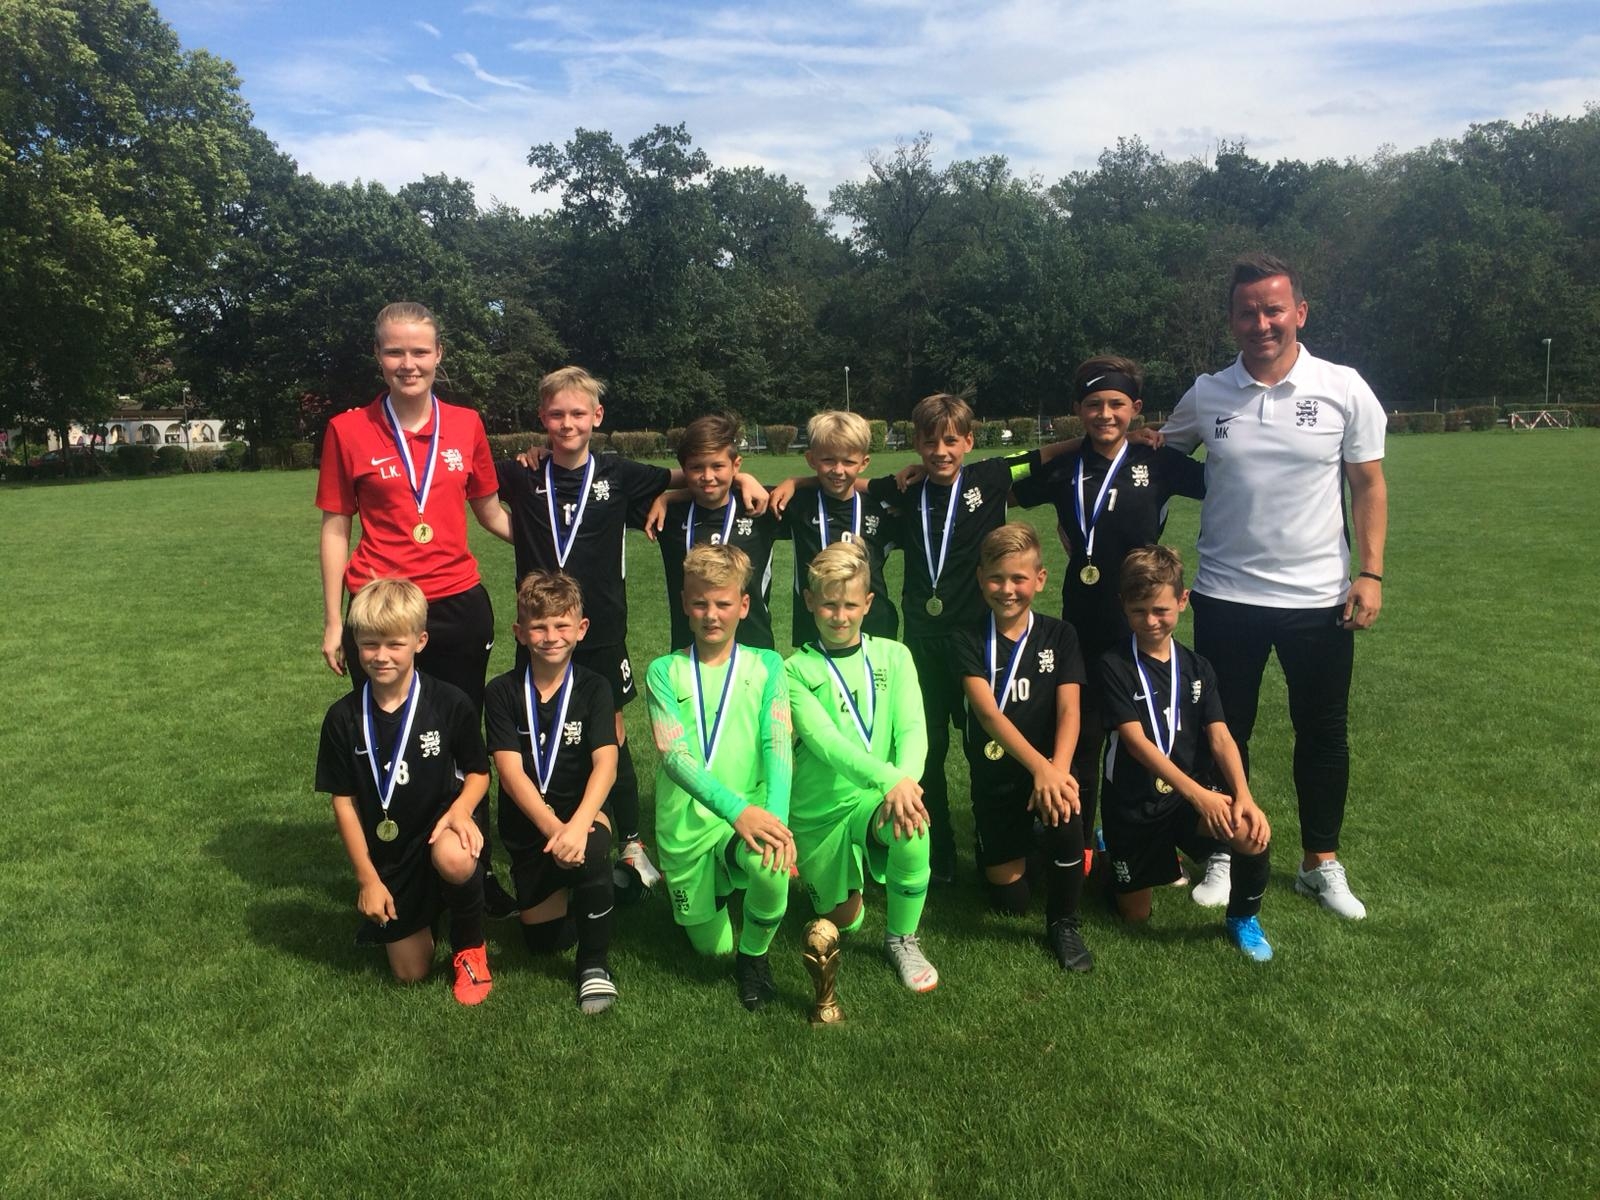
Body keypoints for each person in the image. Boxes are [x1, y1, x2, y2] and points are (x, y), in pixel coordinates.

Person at [1157, 253, 1386, 919]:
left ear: (1300, 313)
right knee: (1225, 731)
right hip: (1227, 597)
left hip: (1320, 600)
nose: (1262, 323)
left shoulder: (1343, 387)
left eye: (1274, 309)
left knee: (1323, 732)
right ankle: (1224, 852)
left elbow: (1368, 485)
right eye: (1247, 312)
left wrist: (1370, 573)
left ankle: (1320, 862)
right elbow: (1158, 461)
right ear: (1231, 320)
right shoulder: (1208, 393)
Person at [494, 367, 758, 899]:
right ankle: (542, 828)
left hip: (602, 631)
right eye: (556, 414)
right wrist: (518, 533)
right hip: (543, 630)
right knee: (532, 728)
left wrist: (745, 479)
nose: (567, 423)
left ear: (597, 416)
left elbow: (689, 475)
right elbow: (474, 490)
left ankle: (631, 841)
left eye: (578, 413)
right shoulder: (522, 474)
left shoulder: (618, 472)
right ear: (542, 418)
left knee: (611, 732)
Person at [316, 301, 519, 917]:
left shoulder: (466, 424)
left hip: (457, 604)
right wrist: (335, 619)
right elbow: (335, 527)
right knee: (387, 742)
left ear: (439, 355)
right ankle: (395, 874)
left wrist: (560, 545)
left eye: (420, 351)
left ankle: (474, 871)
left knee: (461, 742)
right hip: (380, 611)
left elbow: (490, 511)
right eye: (395, 351)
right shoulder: (347, 430)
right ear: (378, 356)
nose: (409, 363)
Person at [1010, 355, 1206, 885]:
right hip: (1083, 622)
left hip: (1144, 625)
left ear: (1135, 407)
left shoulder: (1157, 461)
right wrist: (1063, 447)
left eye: (1117, 404)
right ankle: (1080, 844)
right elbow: (999, 478)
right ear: (1078, 409)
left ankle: (1151, 841)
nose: (1105, 414)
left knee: (1151, 737)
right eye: (1093, 404)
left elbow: (1226, 479)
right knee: (1085, 736)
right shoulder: (1064, 466)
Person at [314, 578, 495, 1003]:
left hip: (441, 832)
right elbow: (344, 803)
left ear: (420, 641)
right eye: (370, 644)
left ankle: (470, 946)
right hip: (391, 856)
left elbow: (478, 772)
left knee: (454, 856)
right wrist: (367, 879)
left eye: (395, 644)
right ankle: (428, 910)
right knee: (411, 973)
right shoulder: (342, 718)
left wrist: (460, 811)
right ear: (355, 644)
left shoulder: (449, 702)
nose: (381, 656)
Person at [1097, 547, 1274, 960]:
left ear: (1182, 600)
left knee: (1250, 832)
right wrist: (1200, 795)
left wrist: (1243, 796)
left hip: (1185, 801)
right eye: (1139, 611)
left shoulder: (1198, 668)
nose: (1151, 621)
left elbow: (1221, 738)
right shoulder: (1113, 665)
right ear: (1123, 606)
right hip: (1134, 804)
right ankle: (1109, 855)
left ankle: (1242, 918)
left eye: (1160, 609)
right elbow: (1136, 742)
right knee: (1135, 916)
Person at [645, 544, 795, 1011]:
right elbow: (675, 757)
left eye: (723, 603)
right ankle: (717, 886)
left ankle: (754, 959)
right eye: (700, 603)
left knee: (769, 863)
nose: (712, 615)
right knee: (712, 950)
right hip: (688, 829)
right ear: (684, 604)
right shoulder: (663, 671)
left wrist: (775, 822)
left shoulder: (767, 664)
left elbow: (778, 744)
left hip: (748, 815)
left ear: (744, 606)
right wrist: (737, 812)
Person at [785, 542, 936, 992]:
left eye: (850, 605)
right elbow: (826, 743)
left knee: (912, 827)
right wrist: (892, 779)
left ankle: (901, 939)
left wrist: (904, 784)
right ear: (809, 601)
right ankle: (852, 880)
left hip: (876, 797)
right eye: (828, 605)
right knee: (844, 921)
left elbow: (912, 729)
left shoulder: (895, 655)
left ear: (868, 603)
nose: (840, 616)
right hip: (819, 811)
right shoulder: (793, 669)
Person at [957, 524, 1093, 972]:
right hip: (998, 777)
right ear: (981, 579)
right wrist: (1041, 769)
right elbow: (988, 715)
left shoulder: (1061, 634)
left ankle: (1063, 923)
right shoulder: (967, 637)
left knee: (1066, 806)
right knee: (1011, 902)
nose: (1007, 589)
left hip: (1052, 769)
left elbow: (1070, 710)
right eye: (997, 578)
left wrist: (1057, 770)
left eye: (1019, 578)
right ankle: (1009, 846)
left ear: (1040, 579)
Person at [483, 571, 621, 1013]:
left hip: (582, 818)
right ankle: (593, 894)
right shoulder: (501, 692)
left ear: (581, 629)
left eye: (562, 625)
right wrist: (554, 832)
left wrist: (577, 826)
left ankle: (594, 965)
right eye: (539, 626)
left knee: (593, 849)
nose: (551, 636)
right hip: (531, 830)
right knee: (543, 943)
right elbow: (510, 774)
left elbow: (607, 764)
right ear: (519, 632)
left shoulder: (595, 687)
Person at [648, 413, 783, 651]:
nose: (708, 477)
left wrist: (794, 482)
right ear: (684, 469)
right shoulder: (668, 515)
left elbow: (833, 483)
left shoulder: (761, 503)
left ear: (736, 465)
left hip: (754, 649)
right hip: (688, 653)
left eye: (718, 466)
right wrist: (666, 498)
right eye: (696, 467)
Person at [776, 411, 901, 646]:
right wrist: (747, 480)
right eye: (828, 460)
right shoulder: (797, 504)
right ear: (811, 459)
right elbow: (725, 490)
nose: (838, 470)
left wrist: (797, 480)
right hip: (813, 627)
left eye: (849, 462)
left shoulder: (882, 508)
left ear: (864, 463)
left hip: (874, 627)